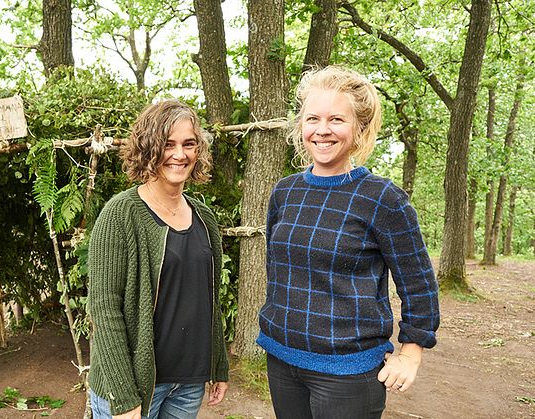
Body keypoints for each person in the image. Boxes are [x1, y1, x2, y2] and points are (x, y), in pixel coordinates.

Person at [257, 66, 440, 419]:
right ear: (301, 126)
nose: (322, 130)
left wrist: (411, 352)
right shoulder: (285, 192)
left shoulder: (382, 199)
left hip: (348, 373)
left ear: (359, 128)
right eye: (313, 118)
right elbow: (277, 271)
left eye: (336, 119)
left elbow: (419, 284)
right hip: (281, 358)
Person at [87, 99, 229, 419]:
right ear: (149, 149)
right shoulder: (120, 215)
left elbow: (209, 299)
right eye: (168, 144)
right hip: (135, 386)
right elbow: (104, 309)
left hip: (188, 384)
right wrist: (123, 397)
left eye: (188, 144)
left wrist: (218, 363)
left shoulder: (204, 217)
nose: (180, 155)